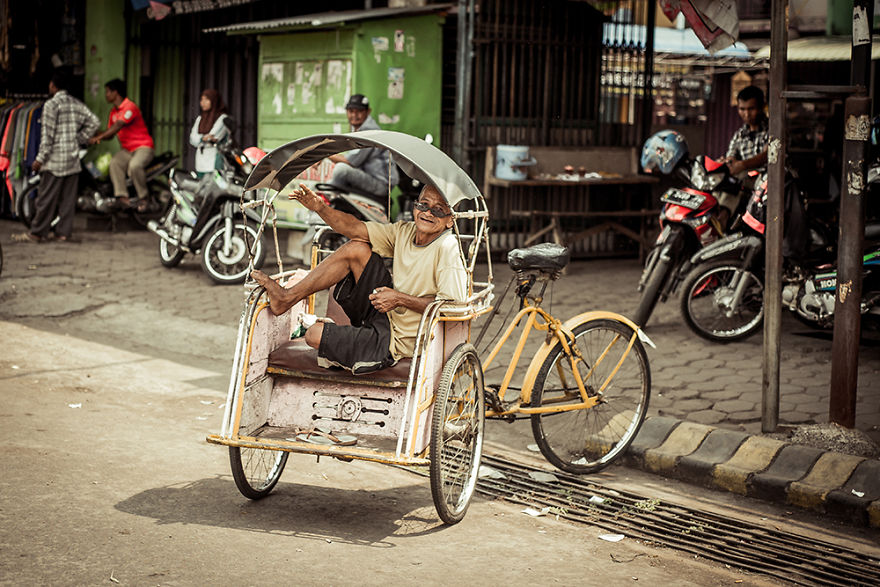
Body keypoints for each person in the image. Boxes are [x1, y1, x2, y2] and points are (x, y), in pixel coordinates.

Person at [251, 183, 466, 375]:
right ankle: (287, 297)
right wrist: (320, 208)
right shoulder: (405, 231)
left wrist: (399, 298)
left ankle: (355, 337)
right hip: (383, 313)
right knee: (358, 247)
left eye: (438, 209)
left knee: (313, 334)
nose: (428, 212)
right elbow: (355, 229)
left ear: (449, 221)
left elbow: (451, 307)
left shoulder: (447, 247)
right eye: (423, 205)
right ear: (415, 207)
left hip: (395, 342)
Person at [14, 72, 99, 243]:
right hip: (73, 160)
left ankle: (37, 232)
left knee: (46, 198)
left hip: (54, 161)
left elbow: (48, 136)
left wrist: (39, 159)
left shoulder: (51, 105)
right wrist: (80, 138)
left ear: (53, 86)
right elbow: (94, 122)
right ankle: (63, 234)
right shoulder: (76, 104)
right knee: (67, 201)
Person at [87, 78, 154, 211]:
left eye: (107, 92)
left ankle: (144, 198)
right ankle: (122, 197)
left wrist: (99, 137)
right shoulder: (113, 112)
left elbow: (118, 126)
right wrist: (93, 135)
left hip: (143, 147)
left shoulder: (130, 107)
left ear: (115, 93)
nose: (106, 95)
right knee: (115, 163)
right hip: (127, 150)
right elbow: (110, 133)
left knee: (135, 166)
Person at [327, 94, 399, 200]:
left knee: (341, 169)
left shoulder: (369, 131)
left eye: (359, 111)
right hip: (370, 177)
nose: (354, 115)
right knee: (327, 184)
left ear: (368, 112)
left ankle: (332, 203)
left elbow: (350, 162)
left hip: (381, 184)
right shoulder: (358, 128)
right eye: (351, 111)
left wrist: (323, 155)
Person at [719, 85, 769, 225]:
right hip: (746, 181)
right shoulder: (740, 135)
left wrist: (742, 165)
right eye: (742, 109)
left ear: (762, 107)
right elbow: (731, 156)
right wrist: (727, 162)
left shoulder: (773, 129)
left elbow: (768, 155)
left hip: (767, 182)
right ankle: (721, 225)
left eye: (751, 109)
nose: (746, 114)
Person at [189, 88, 230, 175]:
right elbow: (192, 139)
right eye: (201, 99)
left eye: (206, 99)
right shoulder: (200, 119)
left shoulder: (222, 118)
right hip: (200, 161)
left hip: (214, 160)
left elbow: (214, 136)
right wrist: (202, 138)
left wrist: (202, 138)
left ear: (214, 101)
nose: (202, 102)